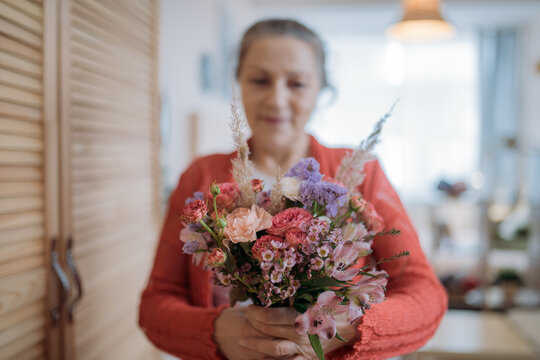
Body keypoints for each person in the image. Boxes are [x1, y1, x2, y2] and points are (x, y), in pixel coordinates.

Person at [139, 19, 447, 360]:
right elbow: (155, 306)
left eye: (297, 83)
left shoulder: (361, 174)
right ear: (239, 81)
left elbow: (426, 296)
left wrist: (345, 330)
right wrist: (216, 331)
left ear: (321, 89)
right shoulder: (201, 177)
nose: (277, 98)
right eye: (260, 80)